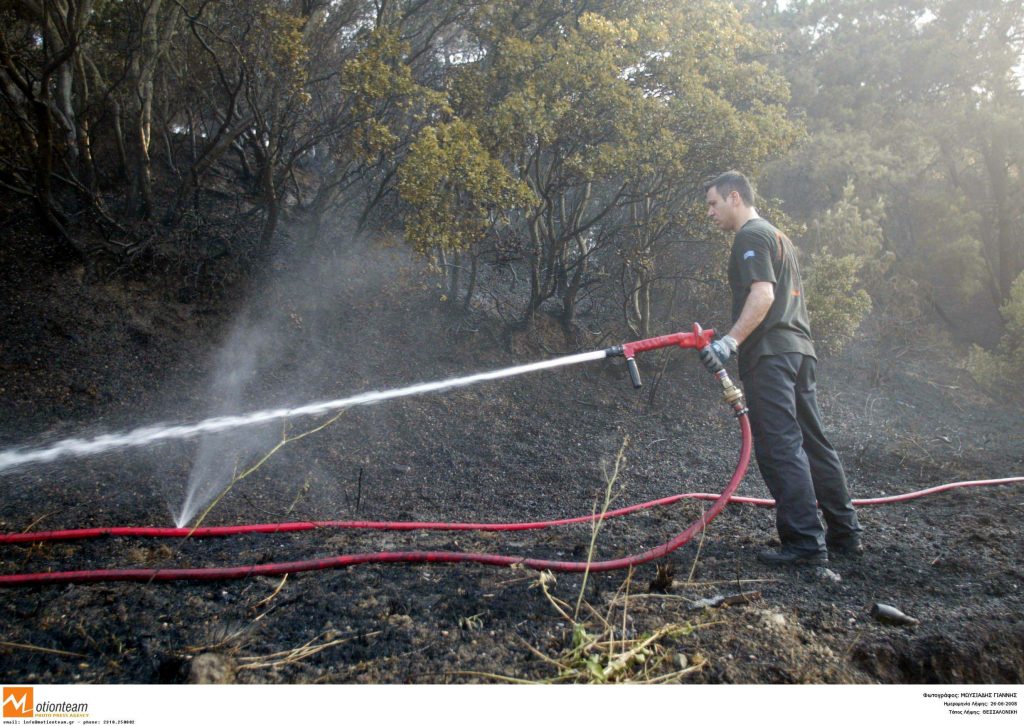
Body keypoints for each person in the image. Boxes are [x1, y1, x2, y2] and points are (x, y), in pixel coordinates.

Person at [700, 170, 862, 566]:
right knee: (814, 444)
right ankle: (845, 535)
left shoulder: (750, 236)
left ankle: (805, 544)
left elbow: (763, 295)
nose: (710, 212)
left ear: (734, 197)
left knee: (780, 447)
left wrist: (729, 342)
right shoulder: (778, 236)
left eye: (713, 203)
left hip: (771, 356)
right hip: (799, 352)